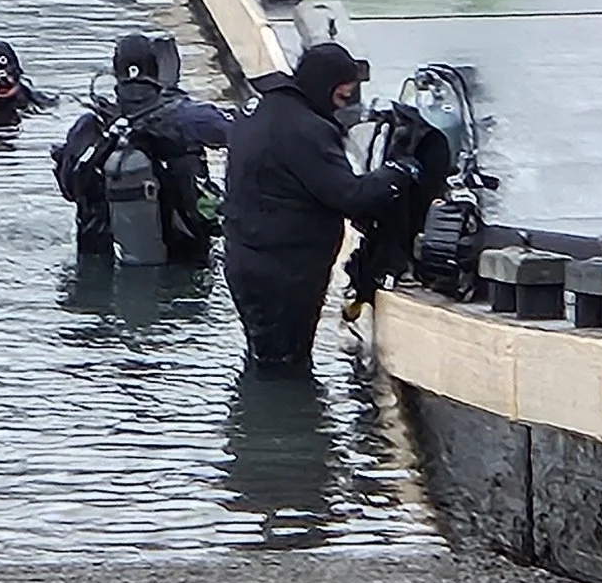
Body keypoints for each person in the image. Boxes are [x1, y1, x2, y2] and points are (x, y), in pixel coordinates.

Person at [221, 40, 404, 371]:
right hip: (282, 275)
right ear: (325, 86)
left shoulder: (261, 110)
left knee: (267, 359)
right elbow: (349, 196)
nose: (343, 107)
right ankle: (285, 419)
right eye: (342, 96)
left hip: (249, 261)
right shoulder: (305, 130)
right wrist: (397, 173)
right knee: (284, 368)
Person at [52, 33, 235, 261]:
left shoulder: (90, 126)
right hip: (183, 262)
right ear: (156, 70)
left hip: (101, 265)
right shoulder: (189, 117)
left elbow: (69, 188)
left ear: (116, 73)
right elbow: (246, 136)